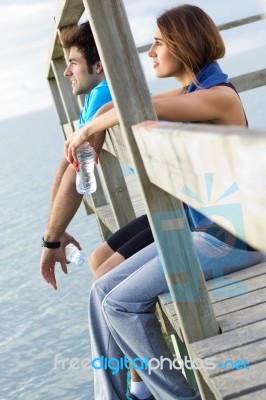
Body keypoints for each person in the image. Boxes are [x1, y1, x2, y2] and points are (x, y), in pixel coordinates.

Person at [58, 4, 264, 400]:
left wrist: (86, 130)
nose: (149, 52)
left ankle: (174, 396)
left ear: (182, 44)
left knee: (120, 303)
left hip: (233, 238)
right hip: (202, 230)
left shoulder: (219, 96)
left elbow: (132, 108)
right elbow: (116, 105)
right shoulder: (194, 90)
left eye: (158, 43)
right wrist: (96, 118)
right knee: (101, 293)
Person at [40, 22, 112, 290]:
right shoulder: (95, 95)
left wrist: (51, 240)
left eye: (73, 62)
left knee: (104, 277)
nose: (67, 71)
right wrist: (54, 232)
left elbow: (78, 171)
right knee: (99, 267)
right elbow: (66, 163)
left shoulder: (104, 93)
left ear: (99, 65)